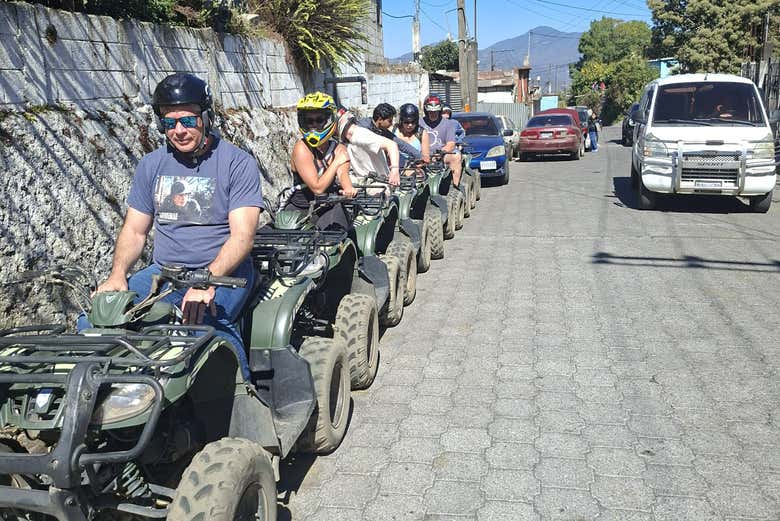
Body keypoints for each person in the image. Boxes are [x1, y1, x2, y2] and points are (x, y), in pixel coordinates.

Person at [84, 73, 263, 377]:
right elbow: (134, 230)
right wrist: (117, 275)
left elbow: (243, 238)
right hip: (164, 273)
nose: (179, 131)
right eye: (169, 123)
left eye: (188, 121)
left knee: (205, 329)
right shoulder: (151, 165)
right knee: (93, 322)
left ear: (206, 118)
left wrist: (206, 280)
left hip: (223, 273)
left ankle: (241, 401)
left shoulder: (237, 163)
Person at [286, 92, 357, 230]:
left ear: (328, 120)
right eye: (309, 121)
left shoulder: (338, 148)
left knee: (338, 233)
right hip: (301, 208)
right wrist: (336, 162)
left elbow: (343, 175)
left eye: (319, 120)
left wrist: (348, 189)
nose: (314, 125)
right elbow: (317, 188)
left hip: (327, 206)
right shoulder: (301, 148)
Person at [337, 105, 401, 189]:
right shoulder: (347, 140)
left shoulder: (359, 135)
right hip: (363, 183)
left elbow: (392, 145)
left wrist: (395, 170)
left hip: (379, 184)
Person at [359, 102, 423, 168]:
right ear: (380, 119)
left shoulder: (382, 130)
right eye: (389, 121)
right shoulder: (362, 127)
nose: (391, 124)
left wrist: (419, 156)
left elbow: (400, 144)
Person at [419, 94, 463, 187]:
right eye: (430, 112)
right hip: (421, 155)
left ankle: (455, 187)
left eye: (436, 111)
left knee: (456, 156)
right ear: (426, 110)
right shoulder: (419, 122)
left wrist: (440, 153)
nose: (433, 114)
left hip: (441, 155)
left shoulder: (448, 124)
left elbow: (451, 144)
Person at [395, 103, 431, 168]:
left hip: (415, 169)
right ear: (401, 121)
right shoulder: (393, 131)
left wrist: (420, 164)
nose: (410, 125)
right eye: (406, 122)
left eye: (413, 122)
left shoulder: (421, 133)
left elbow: (426, 157)